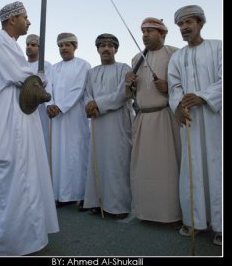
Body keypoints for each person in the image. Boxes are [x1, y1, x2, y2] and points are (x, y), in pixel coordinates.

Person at [0, 1, 59, 256]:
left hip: (16, 120)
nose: (29, 22)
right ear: (12, 19)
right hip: (6, 125)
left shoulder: (8, 43)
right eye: (25, 18)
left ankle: (27, 239)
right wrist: (39, 78)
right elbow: (23, 76)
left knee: (23, 179)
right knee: (10, 181)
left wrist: (37, 79)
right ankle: (10, 244)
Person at [168, 5, 222, 246]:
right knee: (192, 168)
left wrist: (203, 97)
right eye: (180, 24)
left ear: (200, 23)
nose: (184, 28)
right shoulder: (177, 57)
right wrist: (179, 105)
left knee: (217, 168)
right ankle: (195, 221)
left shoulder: (218, 47)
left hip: (215, 119)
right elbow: (174, 85)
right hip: (189, 120)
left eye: (188, 22)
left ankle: (221, 226)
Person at [125, 18, 181, 224]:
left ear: (163, 34)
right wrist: (128, 85)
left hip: (165, 117)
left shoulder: (174, 53)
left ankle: (171, 214)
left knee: (167, 169)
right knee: (142, 169)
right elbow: (129, 95)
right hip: (142, 118)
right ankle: (144, 213)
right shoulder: (136, 59)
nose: (145, 35)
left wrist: (169, 87)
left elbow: (183, 85)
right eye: (143, 32)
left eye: (150, 31)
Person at [83, 33, 132, 218]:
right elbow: (86, 94)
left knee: (117, 161)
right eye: (102, 45)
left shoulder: (123, 68)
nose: (106, 48)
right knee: (98, 159)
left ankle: (118, 206)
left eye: (110, 45)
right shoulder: (92, 72)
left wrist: (98, 104)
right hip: (98, 121)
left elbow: (122, 95)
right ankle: (98, 202)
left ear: (116, 50)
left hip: (117, 121)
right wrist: (90, 104)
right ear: (97, 49)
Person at [46, 33, 91, 211]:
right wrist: (49, 104)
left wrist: (60, 106)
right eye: (61, 45)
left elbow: (78, 89)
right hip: (56, 119)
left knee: (76, 153)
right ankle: (61, 195)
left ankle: (81, 195)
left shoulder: (83, 65)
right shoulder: (53, 68)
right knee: (58, 154)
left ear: (74, 46)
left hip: (74, 116)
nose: (64, 48)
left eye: (67, 45)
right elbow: (47, 87)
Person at [26, 33, 52, 165]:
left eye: (33, 45)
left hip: (40, 111)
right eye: (27, 44)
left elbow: (51, 88)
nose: (29, 47)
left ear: (39, 48)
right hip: (24, 109)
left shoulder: (46, 66)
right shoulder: (21, 65)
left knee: (41, 142)